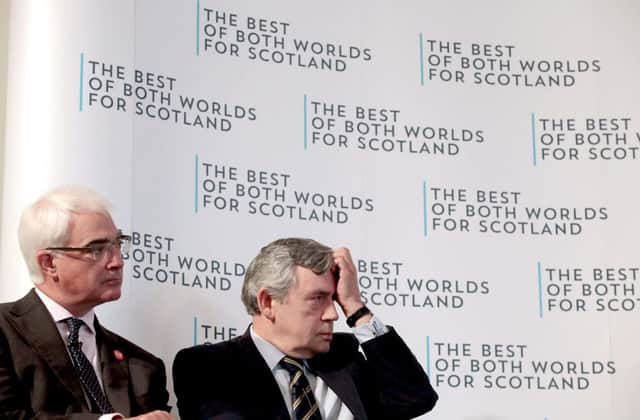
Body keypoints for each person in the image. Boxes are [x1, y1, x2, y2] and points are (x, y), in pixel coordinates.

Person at [173, 238, 437, 420]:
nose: (333, 313)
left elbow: (416, 399)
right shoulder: (208, 367)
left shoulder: (344, 358)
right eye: (317, 298)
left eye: (333, 299)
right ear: (267, 303)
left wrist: (355, 307)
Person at [0, 185, 172, 419]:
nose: (117, 262)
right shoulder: (5, 330)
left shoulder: (143, 366)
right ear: (49, 263)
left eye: (118, 244)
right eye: (97, 249)